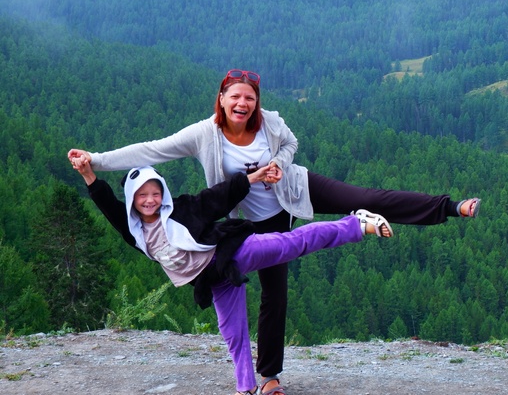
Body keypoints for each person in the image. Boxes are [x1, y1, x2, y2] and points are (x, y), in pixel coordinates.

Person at [67, 68, 480, 395]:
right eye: (235, 97)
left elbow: (291, 144)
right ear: (222, 100)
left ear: (256, 103)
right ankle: (268, 378)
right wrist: (95, 162)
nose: (243, 103)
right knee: (274, 292)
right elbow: (151, 150)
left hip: (295, 188)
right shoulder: (203, 134)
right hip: (259, 218)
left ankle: (447, 207)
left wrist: (279, 164)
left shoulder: (270, 123)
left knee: (368, 196)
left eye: (250, 98)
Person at [69, 155, 392, 395]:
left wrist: (251, 178)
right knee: (233, 333)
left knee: (292, 243)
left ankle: (356, 223)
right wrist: (87, 174)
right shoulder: (134, 231)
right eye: (142, 195)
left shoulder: (182, 209)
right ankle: (245, 387)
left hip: (233, 252)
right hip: (216, 279)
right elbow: (108, 204)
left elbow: (217, 197)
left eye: (155, 193)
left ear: (163, 193)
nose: (150, 200)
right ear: (132, 200)